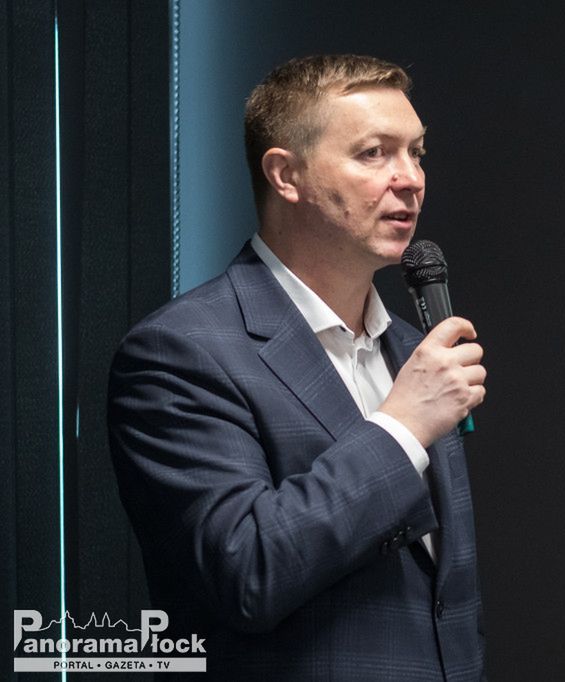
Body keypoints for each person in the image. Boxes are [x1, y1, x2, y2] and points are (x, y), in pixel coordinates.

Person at [108, 54, 487, 680]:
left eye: (416, 152)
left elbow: (445, 602)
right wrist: (400, 430)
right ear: (286, 175)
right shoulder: (180, 353)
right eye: (374, 153)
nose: (411, 178)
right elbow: (247, 571)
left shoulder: (412, 351)